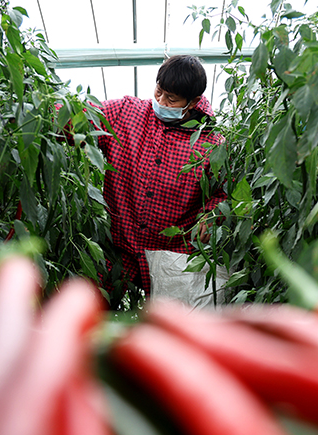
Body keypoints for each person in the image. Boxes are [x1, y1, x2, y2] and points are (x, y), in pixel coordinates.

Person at [94, 54, 226, 305]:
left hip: (171, 254)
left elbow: (222, 193)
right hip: (119, 246)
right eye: (159, 92)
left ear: (194, 102)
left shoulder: (211, 143)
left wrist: (212, 214)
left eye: (171, 99)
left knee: (170, 330)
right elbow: (85, 116)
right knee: (92, 312)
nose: (161, 101)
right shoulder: (127, 114)